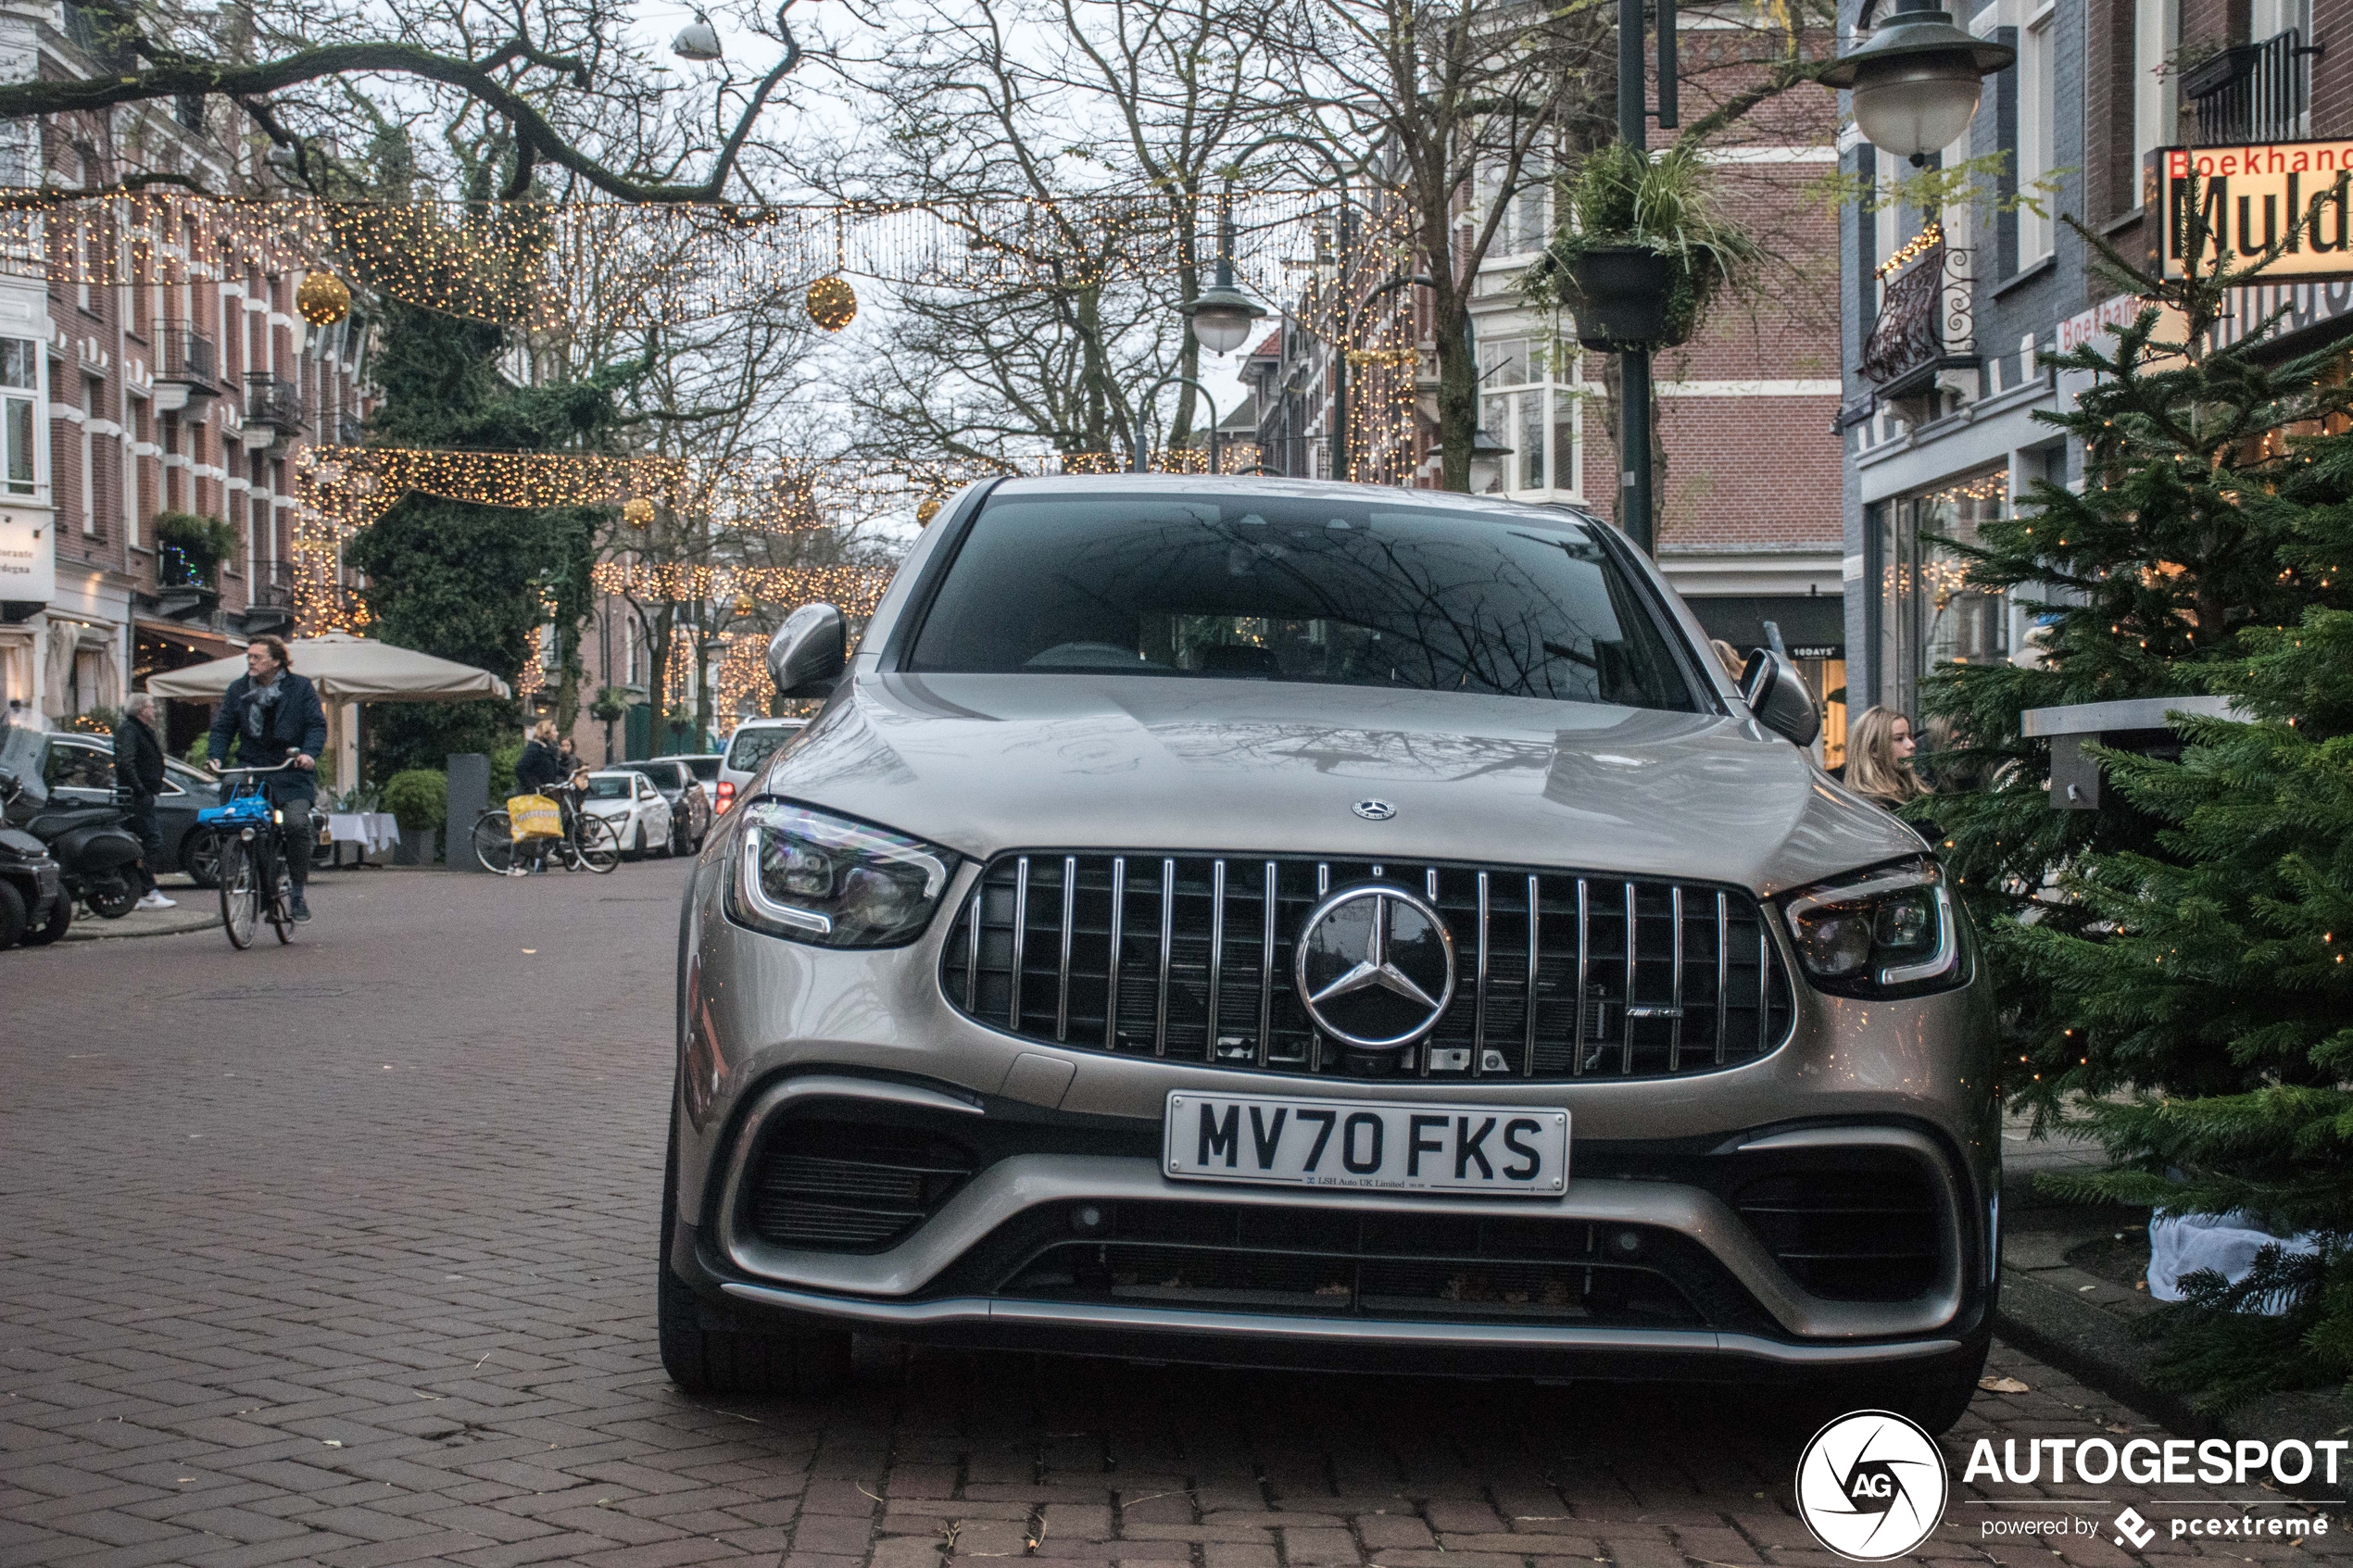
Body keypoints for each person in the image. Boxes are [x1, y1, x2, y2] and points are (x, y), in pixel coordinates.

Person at [207, 635, 329, 922]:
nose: (250, 661)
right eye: (248, 656)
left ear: (275, 661)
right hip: (253, 766)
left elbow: (315, 725)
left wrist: (309, 754)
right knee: (230, 795)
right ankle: (238, 857)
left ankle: (297, 893)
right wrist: (216, 756)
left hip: (290, 769)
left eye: (257, 657)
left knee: (297, 825)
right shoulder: (238, 689)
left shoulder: (300, 687)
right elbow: (223, 727)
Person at [113, 692, 174, 910]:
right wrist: (140, 790)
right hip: (136, 798)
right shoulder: (131, 731)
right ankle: (146, 890)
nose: (154, 710)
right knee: (150, 841)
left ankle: (137, 890)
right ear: (141, 710)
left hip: (139, 795)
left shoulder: (138, 730)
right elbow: (126, 762)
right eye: (150, 706)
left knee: (139, 842)